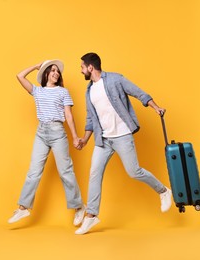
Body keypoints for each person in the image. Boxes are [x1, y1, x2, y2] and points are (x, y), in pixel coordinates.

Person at [74, 53, 172, 235]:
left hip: (122, 135)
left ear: (90, 67)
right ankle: (91, 216)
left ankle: (164, 191)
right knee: (94, 174)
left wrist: (155, 107)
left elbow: (138, 92)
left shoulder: (115, 79)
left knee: (133, 171)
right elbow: (90, 118)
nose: (80, 70)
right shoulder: (89, 91)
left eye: (82, 67)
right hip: (103, 140)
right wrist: (85, 139)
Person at [8, 59, 86, 226]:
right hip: (41, 133)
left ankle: (79, 206)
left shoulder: (63, 92)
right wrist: (36, 66)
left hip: (58, 133)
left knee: (65, 172)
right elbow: (19, 76)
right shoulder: (37, 91)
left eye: (57, 71)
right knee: (33, 171)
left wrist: (74, 137)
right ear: (45, 74)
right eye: (52, 70)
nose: (56, 73)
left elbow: (69, 116)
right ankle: (23, 208)